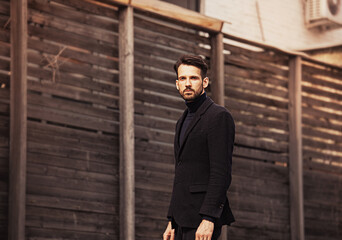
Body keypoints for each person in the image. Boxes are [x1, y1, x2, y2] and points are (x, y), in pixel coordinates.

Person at [163, 55, 235, 240]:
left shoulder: (218, 116)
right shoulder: (181, 121)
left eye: (193, 78)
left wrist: (209, 217)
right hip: (181, 220)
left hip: (201, 219)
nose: (187, 83)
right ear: (177, 84)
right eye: (183, 78)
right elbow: (181, 173)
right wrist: (172, 219)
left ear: (205, 82)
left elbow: (221, 171)